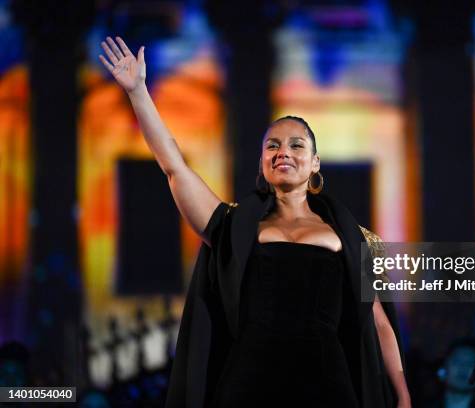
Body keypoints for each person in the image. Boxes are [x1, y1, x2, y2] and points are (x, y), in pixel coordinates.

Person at [100, 36, 411, 408]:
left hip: (327, 380)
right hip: (251, 379)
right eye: (273, 146)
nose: (284, 152)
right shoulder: (234, 228)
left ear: (314, 163)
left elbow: (377, 323)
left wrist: (402, 392)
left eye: (297, 145)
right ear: (262, 162)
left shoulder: (348, 236)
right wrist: (138, 93)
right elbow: (174, 167)